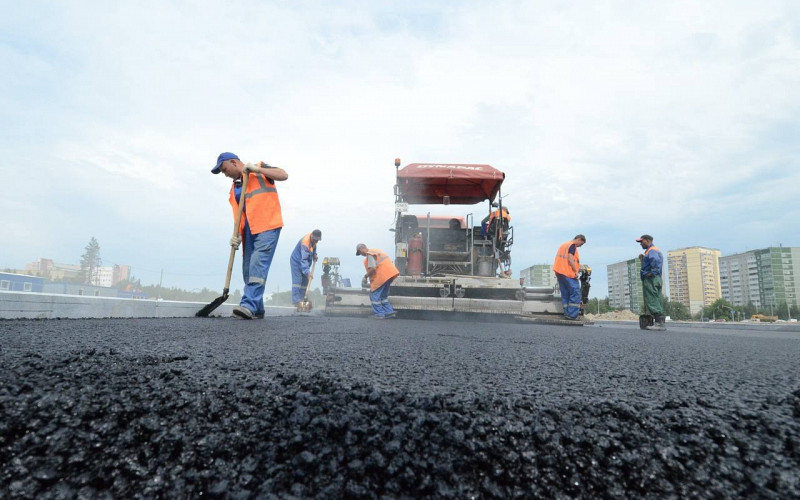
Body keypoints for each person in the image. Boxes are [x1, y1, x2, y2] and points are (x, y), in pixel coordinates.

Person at [212, 152, 288, 320]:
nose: (225, 174)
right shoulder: (234, 189)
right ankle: (258, 308)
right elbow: (238, 215)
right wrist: (236, 235)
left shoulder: (258, 170)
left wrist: (257, 169)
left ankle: (248, 304)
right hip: (248, 231)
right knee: (248, 270)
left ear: (233, 162)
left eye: (224, 170)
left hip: (267, 225)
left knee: (257, 264)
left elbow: (283, 174)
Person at [356, 243, 400, 319]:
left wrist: (365, 276)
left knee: (374, 296)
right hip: (388, 275)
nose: (361, 255)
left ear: (361, 249)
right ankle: (389, 312)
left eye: (360, 253)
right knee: (383, 296)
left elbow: (373, 268)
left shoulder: (370, 254)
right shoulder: (376, 251)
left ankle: (379, 314)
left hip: (382, 276)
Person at [553, 234, 587, 320]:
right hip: (568, 273)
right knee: (575, 293)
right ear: (578, 239)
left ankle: (567, 313)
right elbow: (570, 258)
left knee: (566, 293)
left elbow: (564, 259)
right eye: (581, 244)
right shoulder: (572, 245)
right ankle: (571, 315)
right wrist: (576, 271)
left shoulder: (564, 244)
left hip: (560, 272)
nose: (580, 246)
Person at [637, 234, 666, 330]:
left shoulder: (652, 250)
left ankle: (658, 324)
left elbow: (655, 261)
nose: (640, 244)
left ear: (647, 241)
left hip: (652, 279)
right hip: (656, 278)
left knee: (652, 299)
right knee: (657, 299)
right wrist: (643, 259)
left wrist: (651, 273)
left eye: (642, 241)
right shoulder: (653, 250)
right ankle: (660, 322)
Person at [290, 230, 322, 307]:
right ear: (311, 236)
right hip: (296, 262)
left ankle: (302, 299)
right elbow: (303, 260)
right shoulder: (305, 242)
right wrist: (307, 273)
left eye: (317, 240)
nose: (316, 241)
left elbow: (313, 248)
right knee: (297, 282)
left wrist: (314, 254)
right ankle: (296, 301)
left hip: (305, 264)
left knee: (305, 282)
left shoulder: (314, 242)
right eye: (315, 239)